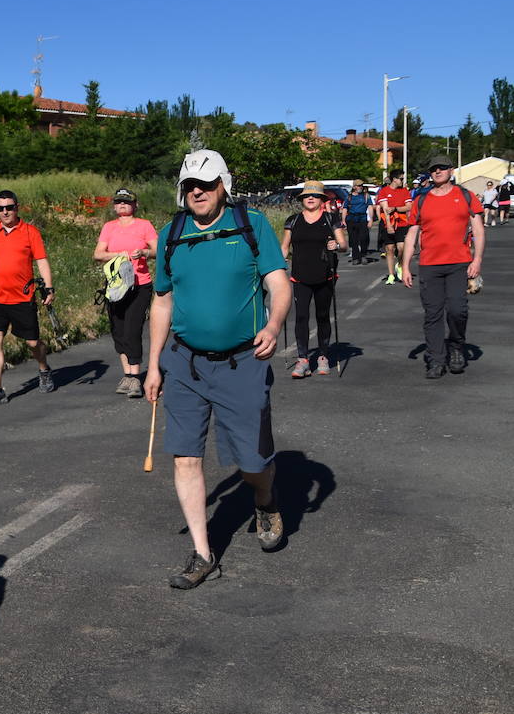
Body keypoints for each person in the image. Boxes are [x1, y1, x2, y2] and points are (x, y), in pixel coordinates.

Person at [145, 150, 291, 589]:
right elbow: (161, 300)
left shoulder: (251, 225)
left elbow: (277, 283)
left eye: (206, 184)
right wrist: (152, 366)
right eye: (191, 185)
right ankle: (203, 553)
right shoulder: (171, 233)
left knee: (252, 462)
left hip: (244, 362)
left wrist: (274, 323)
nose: (198, 192)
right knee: (186, 457)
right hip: (185, 364)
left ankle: (264, 498)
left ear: (223, 185)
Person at [401, 153, 485, 379]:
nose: (437, 171)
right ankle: (436, 359)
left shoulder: (466, 196)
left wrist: (476, 260)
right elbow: (411, 234)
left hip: (459, 263)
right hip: (430, 265)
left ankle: (456, 347)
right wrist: (406, 266)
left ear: (451, 171)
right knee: (433, 314)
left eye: (442, 168)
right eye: (433, 169)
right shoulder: (421, 200)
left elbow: (477, 230)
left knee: (458, 310)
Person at [0, 190, 56, 406]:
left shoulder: (30, 232)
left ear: (17, 207)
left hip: (22, 296)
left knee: (32, 342)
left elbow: (41, 261)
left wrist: (48, 288)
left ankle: (44, 369)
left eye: (9, 207)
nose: (5, 212)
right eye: (0, 208)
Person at [93, 188, 157, 398]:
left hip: (139, 285)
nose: (122, 205)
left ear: (135, 205)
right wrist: (117, 254)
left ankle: (136, 377)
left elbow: (157, 250)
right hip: (115, 286)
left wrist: (145, 252)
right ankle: (127, 374)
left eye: (127, 202)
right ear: (114, 206)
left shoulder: (144, 225)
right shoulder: (109, 227)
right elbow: (98, 254)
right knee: (118, 331)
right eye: (119, 202)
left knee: (132, 329)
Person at [281, 182, 348, 379]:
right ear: (302, 200)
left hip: (325, 275)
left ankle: (323, 356)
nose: (310, 198)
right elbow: (285, 246)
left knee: (322, 315)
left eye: (315, 196)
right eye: (306, 196)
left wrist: (336, 245)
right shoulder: (293, 221)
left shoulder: (330, 219)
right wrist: (278, 261)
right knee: (300, 316)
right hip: (300, 276)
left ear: (322, 200)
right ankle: (303, 359)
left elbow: (343, 245)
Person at [374, 170, 412, 285]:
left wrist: (396, 208)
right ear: (394, 179)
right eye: (401, 179)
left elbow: (409, 206)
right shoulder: (384, 191)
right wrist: (389, 226)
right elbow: (385, 210)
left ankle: (400, 265)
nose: (402, 181)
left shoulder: (405, 191)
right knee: (390, 249)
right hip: (388, 224)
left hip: (402, 223)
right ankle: (391, 274)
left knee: (401, 248)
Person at [342, 180, 373, 263]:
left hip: (362, 219)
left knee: (364, 238)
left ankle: (363, 255)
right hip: (351, 219)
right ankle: (355, 257)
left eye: (361, 185)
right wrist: (343, 220)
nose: (360, 187)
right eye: (359, 185)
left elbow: (370, 207)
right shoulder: (349, 197)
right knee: (353, 239)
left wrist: (371, 220)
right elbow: (345, 208)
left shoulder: (366, 196)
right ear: (354, 187)